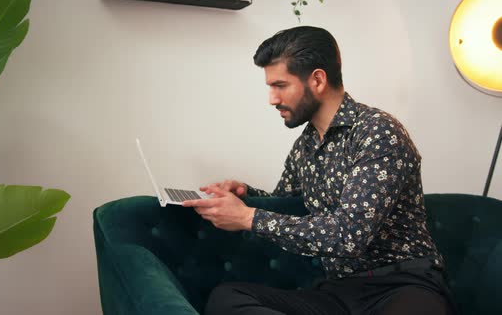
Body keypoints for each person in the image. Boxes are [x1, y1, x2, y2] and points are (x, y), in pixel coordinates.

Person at [182, 26, 455, 315]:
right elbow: (287, 208)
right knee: (227, 298)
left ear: (317, 80)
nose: (272, 99)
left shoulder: (377, 132)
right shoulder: (305, 146)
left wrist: (248, 216)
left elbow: (349, 235)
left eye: (280, 85)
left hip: (403, 287)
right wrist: (246, 195)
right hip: (340, 291)